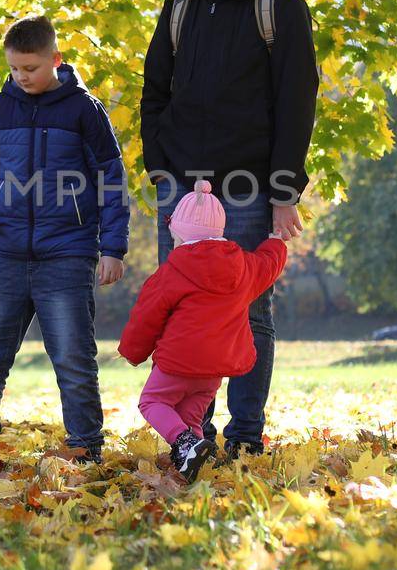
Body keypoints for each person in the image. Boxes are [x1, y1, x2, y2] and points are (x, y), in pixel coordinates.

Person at [140, 0, 319, 458]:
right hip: (182, 191)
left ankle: (244, 437)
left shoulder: (280, 5)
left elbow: (298, 100)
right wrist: (160, 168)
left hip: (249, 187)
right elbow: (154, 91)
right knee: (183, 313)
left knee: (246, 312)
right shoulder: (180, 6)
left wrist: (284, 190)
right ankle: (193, 436)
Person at [0, 15, 130, 471]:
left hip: (67, 254)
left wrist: (113, 248)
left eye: (31, 68)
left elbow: (111, 178)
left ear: (55, 60)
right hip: (7, 253)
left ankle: (85, 448)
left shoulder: (85, 109)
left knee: (72, 359)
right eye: (15, 69)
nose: (23, 77)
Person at [118, 182, 288, 482]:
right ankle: (193, 467)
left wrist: (133, 352)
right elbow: (268, 264)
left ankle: (184, 443)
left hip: (179, 362)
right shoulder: (244, 266)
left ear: (181, 234)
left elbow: (147, 317)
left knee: (153, 403)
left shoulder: (171, 272)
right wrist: (276, 242)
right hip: (215, 369)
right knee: (190, 417)